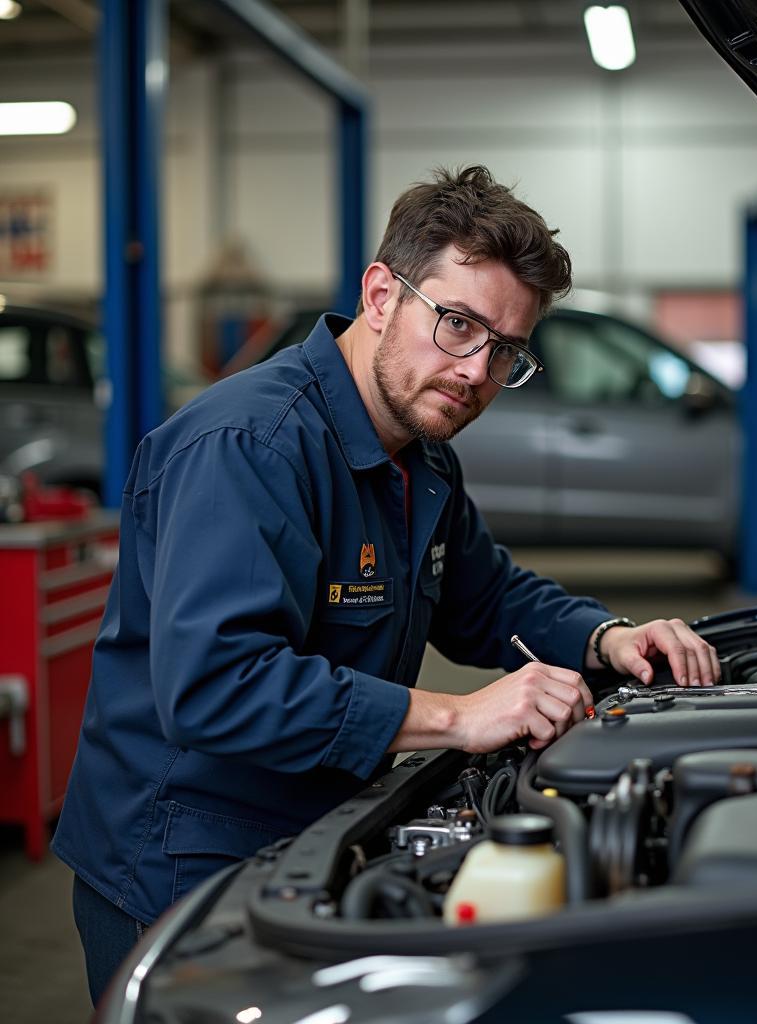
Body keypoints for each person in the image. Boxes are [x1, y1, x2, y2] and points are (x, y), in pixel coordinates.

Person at [53, 165, 720, 1005]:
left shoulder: (419, 453)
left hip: (306, 830)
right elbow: (217, 684)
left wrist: (607, 637)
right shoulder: (251, 445)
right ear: (380, 295)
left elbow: (488, 598)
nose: (478, 371)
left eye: (506, 348)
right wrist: (458, 717)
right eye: (458, 324)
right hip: (180, 856)